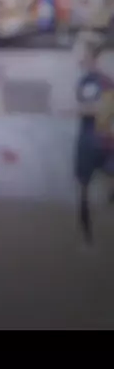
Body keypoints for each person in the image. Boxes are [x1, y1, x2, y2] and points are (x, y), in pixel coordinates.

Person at [74, 32, 114, 246]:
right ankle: (87, 237)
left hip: (99, 141)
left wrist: (83, 110)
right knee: (83, 189)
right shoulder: (85, 81)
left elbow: (103, 110)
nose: (78, 56)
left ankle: (89, 237)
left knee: (88, 187)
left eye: (81, 51)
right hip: (90, 141)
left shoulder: (102, 81)